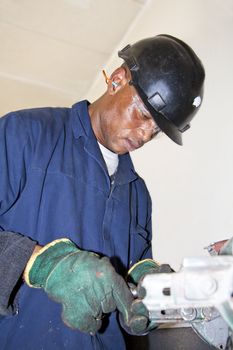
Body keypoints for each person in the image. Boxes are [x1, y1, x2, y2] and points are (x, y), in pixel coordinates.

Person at [0, 34, 205, 350]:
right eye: (144, 115)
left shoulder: (137, 194)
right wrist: (38, 263)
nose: (144, 134)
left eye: (157, 130)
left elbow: (127, 279)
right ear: (118, 81)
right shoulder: (25, 134)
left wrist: (145, 286)